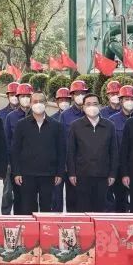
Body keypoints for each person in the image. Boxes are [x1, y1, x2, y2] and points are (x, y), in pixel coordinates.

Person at [10, 91, 65, 214]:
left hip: (49, 175)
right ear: (30, 104)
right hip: (27, 175)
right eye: (35, 101)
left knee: (47, 208)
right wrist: (16, 172)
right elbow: (15, 150)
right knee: (28, 208)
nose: (38, 104)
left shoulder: (56, 126)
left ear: (46, 104)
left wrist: (59, 173)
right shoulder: (21, 125)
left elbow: (61, 151)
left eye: (41, 101)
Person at [67, 92, 118, 213]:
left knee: (101, 210)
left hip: (103, 175)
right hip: (82, 175)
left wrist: (112, 174)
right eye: (88, 104)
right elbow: (71, 151)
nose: (92, 107)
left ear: (100, 106)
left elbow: (113, 151)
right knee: (83, 209)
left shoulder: (109, 125)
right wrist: (71, 173)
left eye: (95, 104)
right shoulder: (76, 126)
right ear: (83, 107)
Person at [59, 79, 90, 211]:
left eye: (83, 93)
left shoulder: (92, 112)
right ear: (72, 96)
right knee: (72, 199)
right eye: (77, 93)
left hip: (89, 164)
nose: (80, 96)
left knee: (87, 199)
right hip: (71, 164)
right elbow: (61, 141)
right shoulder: (65, 115)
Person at [2, 83, 33, 215]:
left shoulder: (37, 114)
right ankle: (10, 218)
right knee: (11, 194)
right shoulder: (11, 117)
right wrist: (9, 162)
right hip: (14, 163)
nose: (25, 99)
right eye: (22, 96)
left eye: (28, 96)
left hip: (33, 164)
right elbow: (7, 141)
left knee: (30, 197)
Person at [107, 84, 133, 212]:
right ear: (120, 101)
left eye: (132, 99)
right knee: (120, 201)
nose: (129, 102)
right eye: (126, 99)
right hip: (119, 167)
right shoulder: (112, 120)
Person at [0, 81, 20, 216]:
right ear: (7, 96)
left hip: (23, 160)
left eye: (16, 94)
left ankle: (20, 216)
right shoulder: (1, 114)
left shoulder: (28, 113)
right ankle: (5, 215)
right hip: (7, 159)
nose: (14, 97)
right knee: (7, 192)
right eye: (12, 94)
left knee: (22, 192)